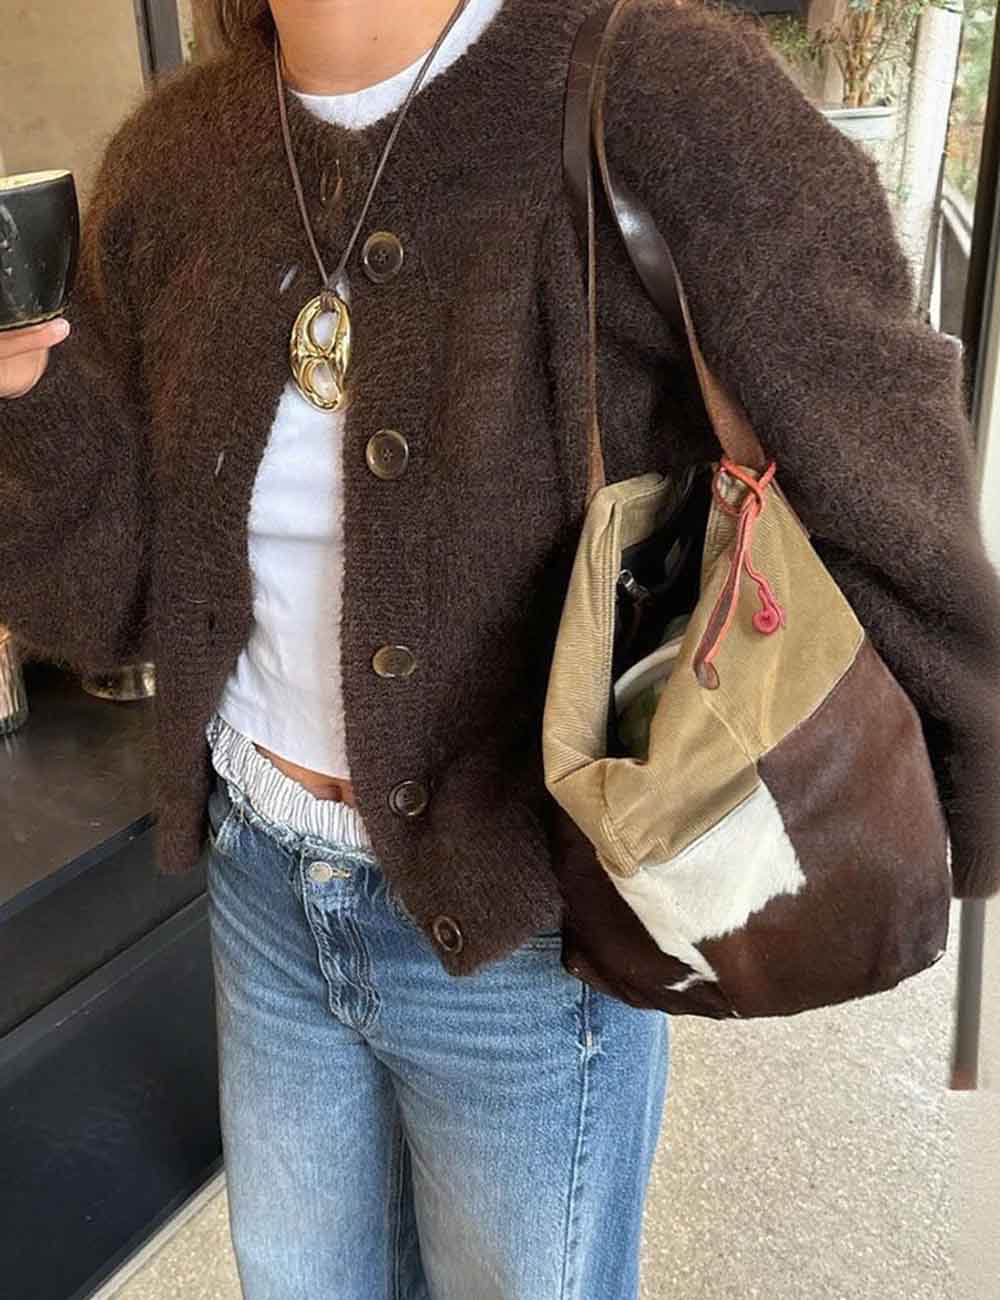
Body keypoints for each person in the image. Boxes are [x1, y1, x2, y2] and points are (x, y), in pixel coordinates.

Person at [3, 0, 999, 1296]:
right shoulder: (175, 159)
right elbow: (114, 610)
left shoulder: (661, 95)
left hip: (523, 916)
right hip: (261, 888)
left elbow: (880, 457)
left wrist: (964, 788)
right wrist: (24, 410)